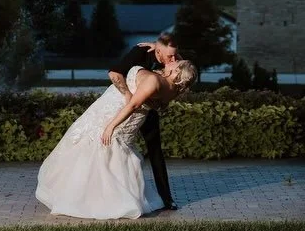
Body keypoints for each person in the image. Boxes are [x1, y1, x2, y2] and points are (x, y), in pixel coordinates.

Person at [35, 58, 197, 220]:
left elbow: (133, 105)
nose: (172, 61)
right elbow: (162, 94)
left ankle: (96, 199)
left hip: (123, 115)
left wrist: (111, 125)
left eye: (175, 63)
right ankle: (106, 195)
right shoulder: (175, 89)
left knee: (102, 146)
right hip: (135, 121)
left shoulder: (155, 81)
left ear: (176, 72)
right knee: (114, 154)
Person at [107, 33, 179, 210]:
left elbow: (185, 68)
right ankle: (115, 194)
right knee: (116, 146)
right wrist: (128, 96)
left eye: (175, 55)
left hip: (148, 111)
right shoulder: (140, 52)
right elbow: (114, 73)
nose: (173, 59)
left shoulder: (170, 59)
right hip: (126, 106)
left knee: (156, 150)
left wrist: (171, 56)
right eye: (170, 56)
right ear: (159, 51)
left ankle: (167, 198)